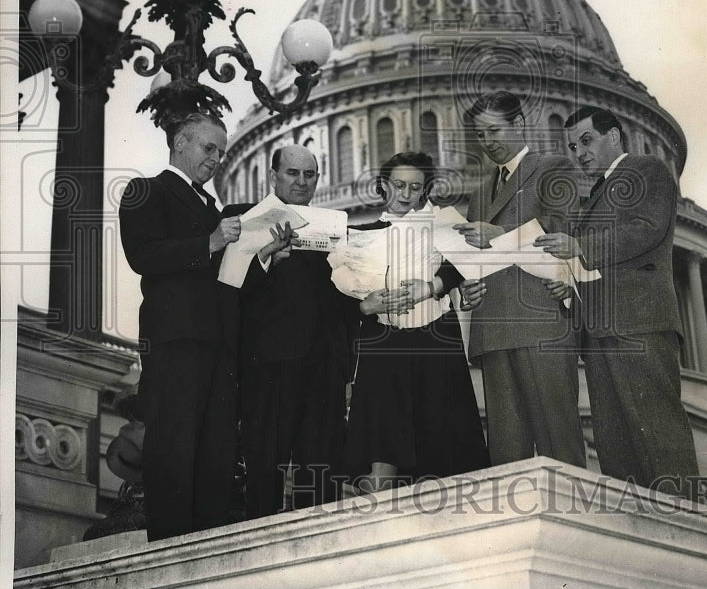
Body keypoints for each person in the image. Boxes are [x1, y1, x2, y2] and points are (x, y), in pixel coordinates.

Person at [534, 105, 700, 497]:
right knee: (615, 444)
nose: (579, 153)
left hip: (638, 323)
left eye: (587, 141)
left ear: (614, 136)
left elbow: (644, 231)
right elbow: (599, 265)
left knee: (658, 433)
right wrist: (569, 283)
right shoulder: (594, 197)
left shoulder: (648, 170)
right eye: (573, 146)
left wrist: (578, 247)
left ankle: (684, 527)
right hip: (601, 329)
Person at [119, 112, 241, 542]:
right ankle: (169, 551)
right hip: (175, 341)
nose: (216, 160)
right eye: (209, 149)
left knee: (216, 453)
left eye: (222, 154)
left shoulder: (213, 208)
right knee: (173, 447)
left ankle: (207, 549)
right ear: (180, 143)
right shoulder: (146, 190)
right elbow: (143, 255)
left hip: (219, 346)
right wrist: (211, 242)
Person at [337, 152, 489, 493]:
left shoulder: (442, 226)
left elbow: (459, 263)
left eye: (415, 187)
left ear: (425, 192)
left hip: (435, 340)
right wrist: (366, 304)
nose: (406, 194)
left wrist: (433, 286)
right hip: (383, 343)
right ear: (383, 186)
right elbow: (342, 297)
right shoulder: (360, 234)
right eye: (399, 185)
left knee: (441, 440)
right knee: (383, 441)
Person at [453, 91, 587, 469]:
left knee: (558, 446)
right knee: (506, 455)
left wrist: (494, 233)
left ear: (519, 124)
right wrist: (469, 287)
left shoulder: (553, 167)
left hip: (538, 322)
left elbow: (558, 226)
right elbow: (477, 258)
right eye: (480, 135)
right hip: (493, 328)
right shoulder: (480, 194)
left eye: (495, 131)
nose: (489, 142)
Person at [226, 144, 355, 518]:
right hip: (268, 370)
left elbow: (345, 297)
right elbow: (225, 290)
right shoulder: (242, 219)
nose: (302, 182)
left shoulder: (334, 229)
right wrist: (265, 259)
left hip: (325, 372)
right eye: (292, 173)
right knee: (264, 473)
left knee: (321, 478)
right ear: (273, 176)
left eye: (309, 175)